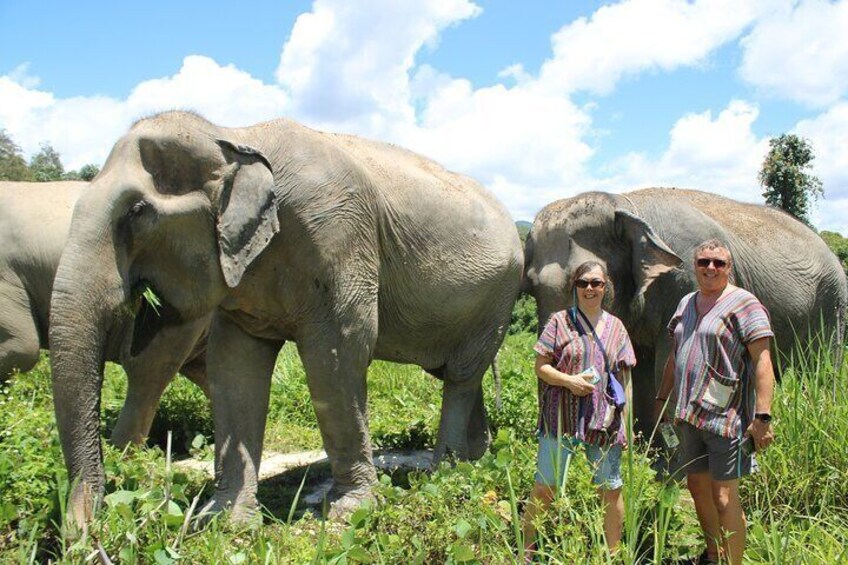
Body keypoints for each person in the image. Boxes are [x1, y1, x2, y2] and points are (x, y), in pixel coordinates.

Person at [654, 239, 776, 565]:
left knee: (724, 496)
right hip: (689, 415)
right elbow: (675, 355)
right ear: (694, 266)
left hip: (728, 417)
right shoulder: (686, 303)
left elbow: (763, 361)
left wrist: (762, 417)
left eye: (718, 263)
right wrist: (662, 399)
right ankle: (712, 554)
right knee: (696, 486)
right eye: (703, 262)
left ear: (729, 268)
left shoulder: (745, 304)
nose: (710, 268)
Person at [522, 261, 636, 559]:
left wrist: (627, 421)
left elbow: (624, 378)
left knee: (610, 489)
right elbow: (541, 367)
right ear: (575, 286)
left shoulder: (616, 327)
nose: (590, 289)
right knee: (546, 487)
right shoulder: (560, 322)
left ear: (605, 286)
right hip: (560, 418)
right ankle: (527, 551)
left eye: (596, 283)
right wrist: (569, 381)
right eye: (583, 283)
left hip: (604, 420)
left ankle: (611, 554)